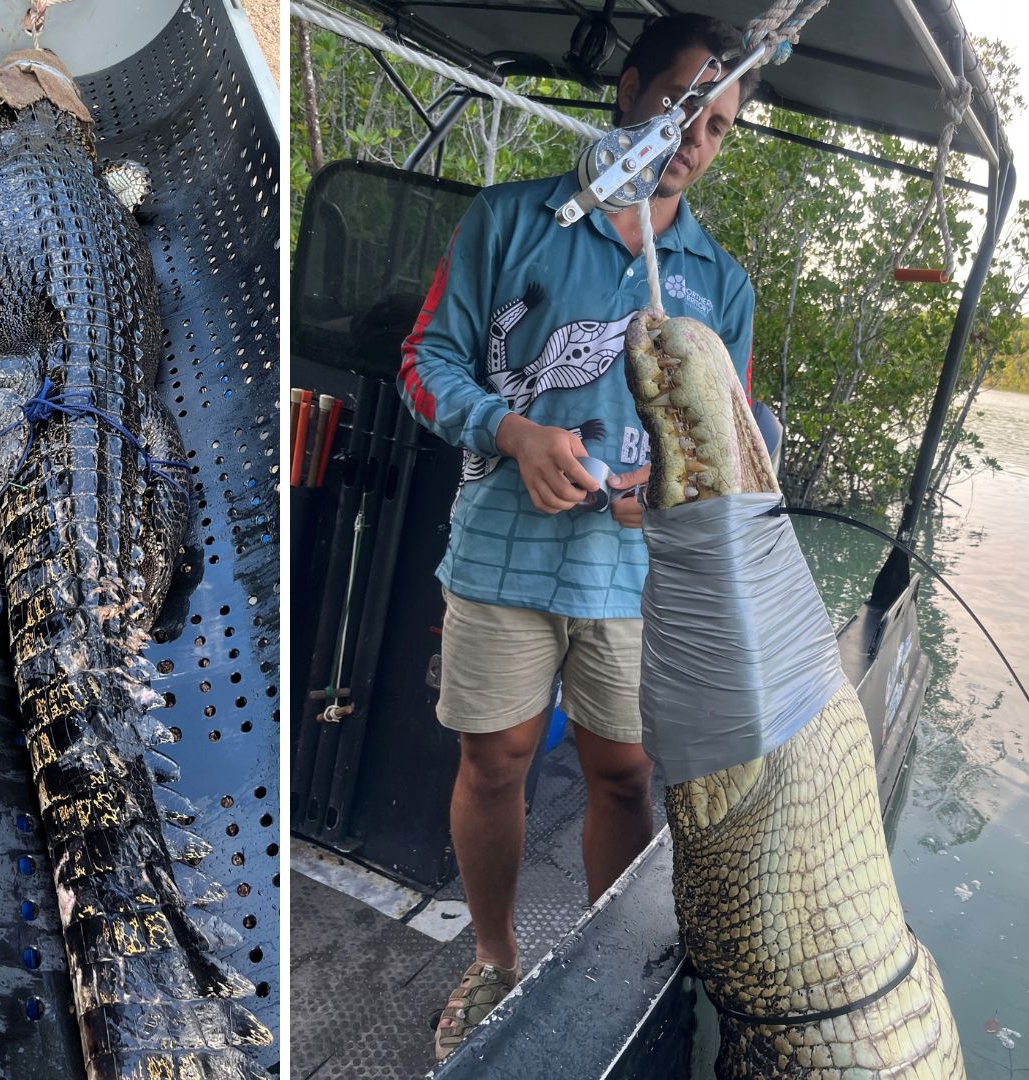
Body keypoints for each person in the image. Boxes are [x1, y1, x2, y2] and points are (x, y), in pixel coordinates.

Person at [396, 13, 761, 1062]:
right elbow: (425, 362)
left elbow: (736, 434)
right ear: (631, 89)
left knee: (624, 774)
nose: (694, 139)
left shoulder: (719, 282)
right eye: (682, 105)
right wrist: (512, 432)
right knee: (496, 761)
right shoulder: (509, 220)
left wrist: (673, 493)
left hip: (634, 572)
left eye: (718, 127)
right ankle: (494, 958)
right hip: (500, 550)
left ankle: (606, 976)